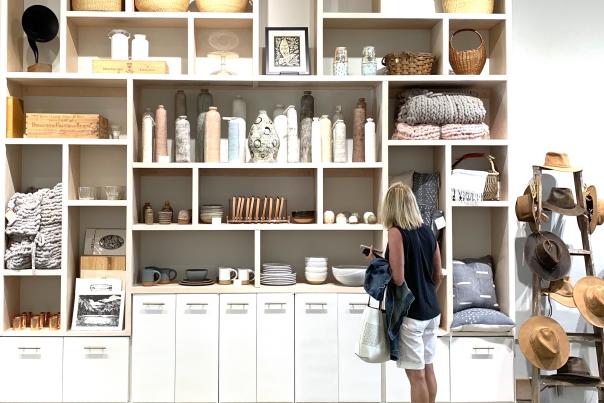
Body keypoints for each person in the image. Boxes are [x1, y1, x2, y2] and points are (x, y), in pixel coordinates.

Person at [366, 182, 443, 403]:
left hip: (412, 315)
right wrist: (425, 294)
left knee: (416, 376)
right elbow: (437, 276)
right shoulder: (428, 232)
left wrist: (375, 263)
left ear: (390, 207)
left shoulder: (395, 232)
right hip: (432, 311)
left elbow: (398, 278)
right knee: (428, 368)